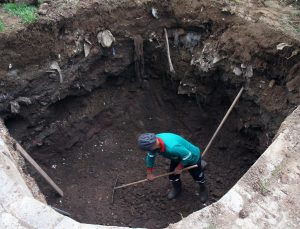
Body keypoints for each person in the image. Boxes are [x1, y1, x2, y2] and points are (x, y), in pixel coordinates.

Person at [137, 132, 208, 202]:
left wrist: (179, 167)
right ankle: (177, 188)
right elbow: (150, 156)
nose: (149, 151)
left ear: (153, 145)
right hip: (176, 157)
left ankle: (203, 188)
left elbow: (188, 155)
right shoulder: (154, 141)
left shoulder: (172, 147)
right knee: (173, 176)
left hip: (193, 157)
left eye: (148, 149)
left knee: (198, 176)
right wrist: (149, 173)